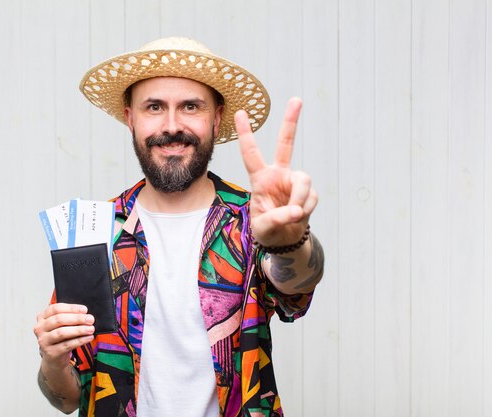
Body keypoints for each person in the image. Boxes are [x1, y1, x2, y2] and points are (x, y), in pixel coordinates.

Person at [33, 37, 324, 417]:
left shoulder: (250, 218)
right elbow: (68, 399)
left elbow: (295, 290)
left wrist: (289, 242)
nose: (172, 126)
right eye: (154, 107)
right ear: (130, 117)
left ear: (216, 118)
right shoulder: (95, 231)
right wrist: (52, 360)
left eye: (190, 106)